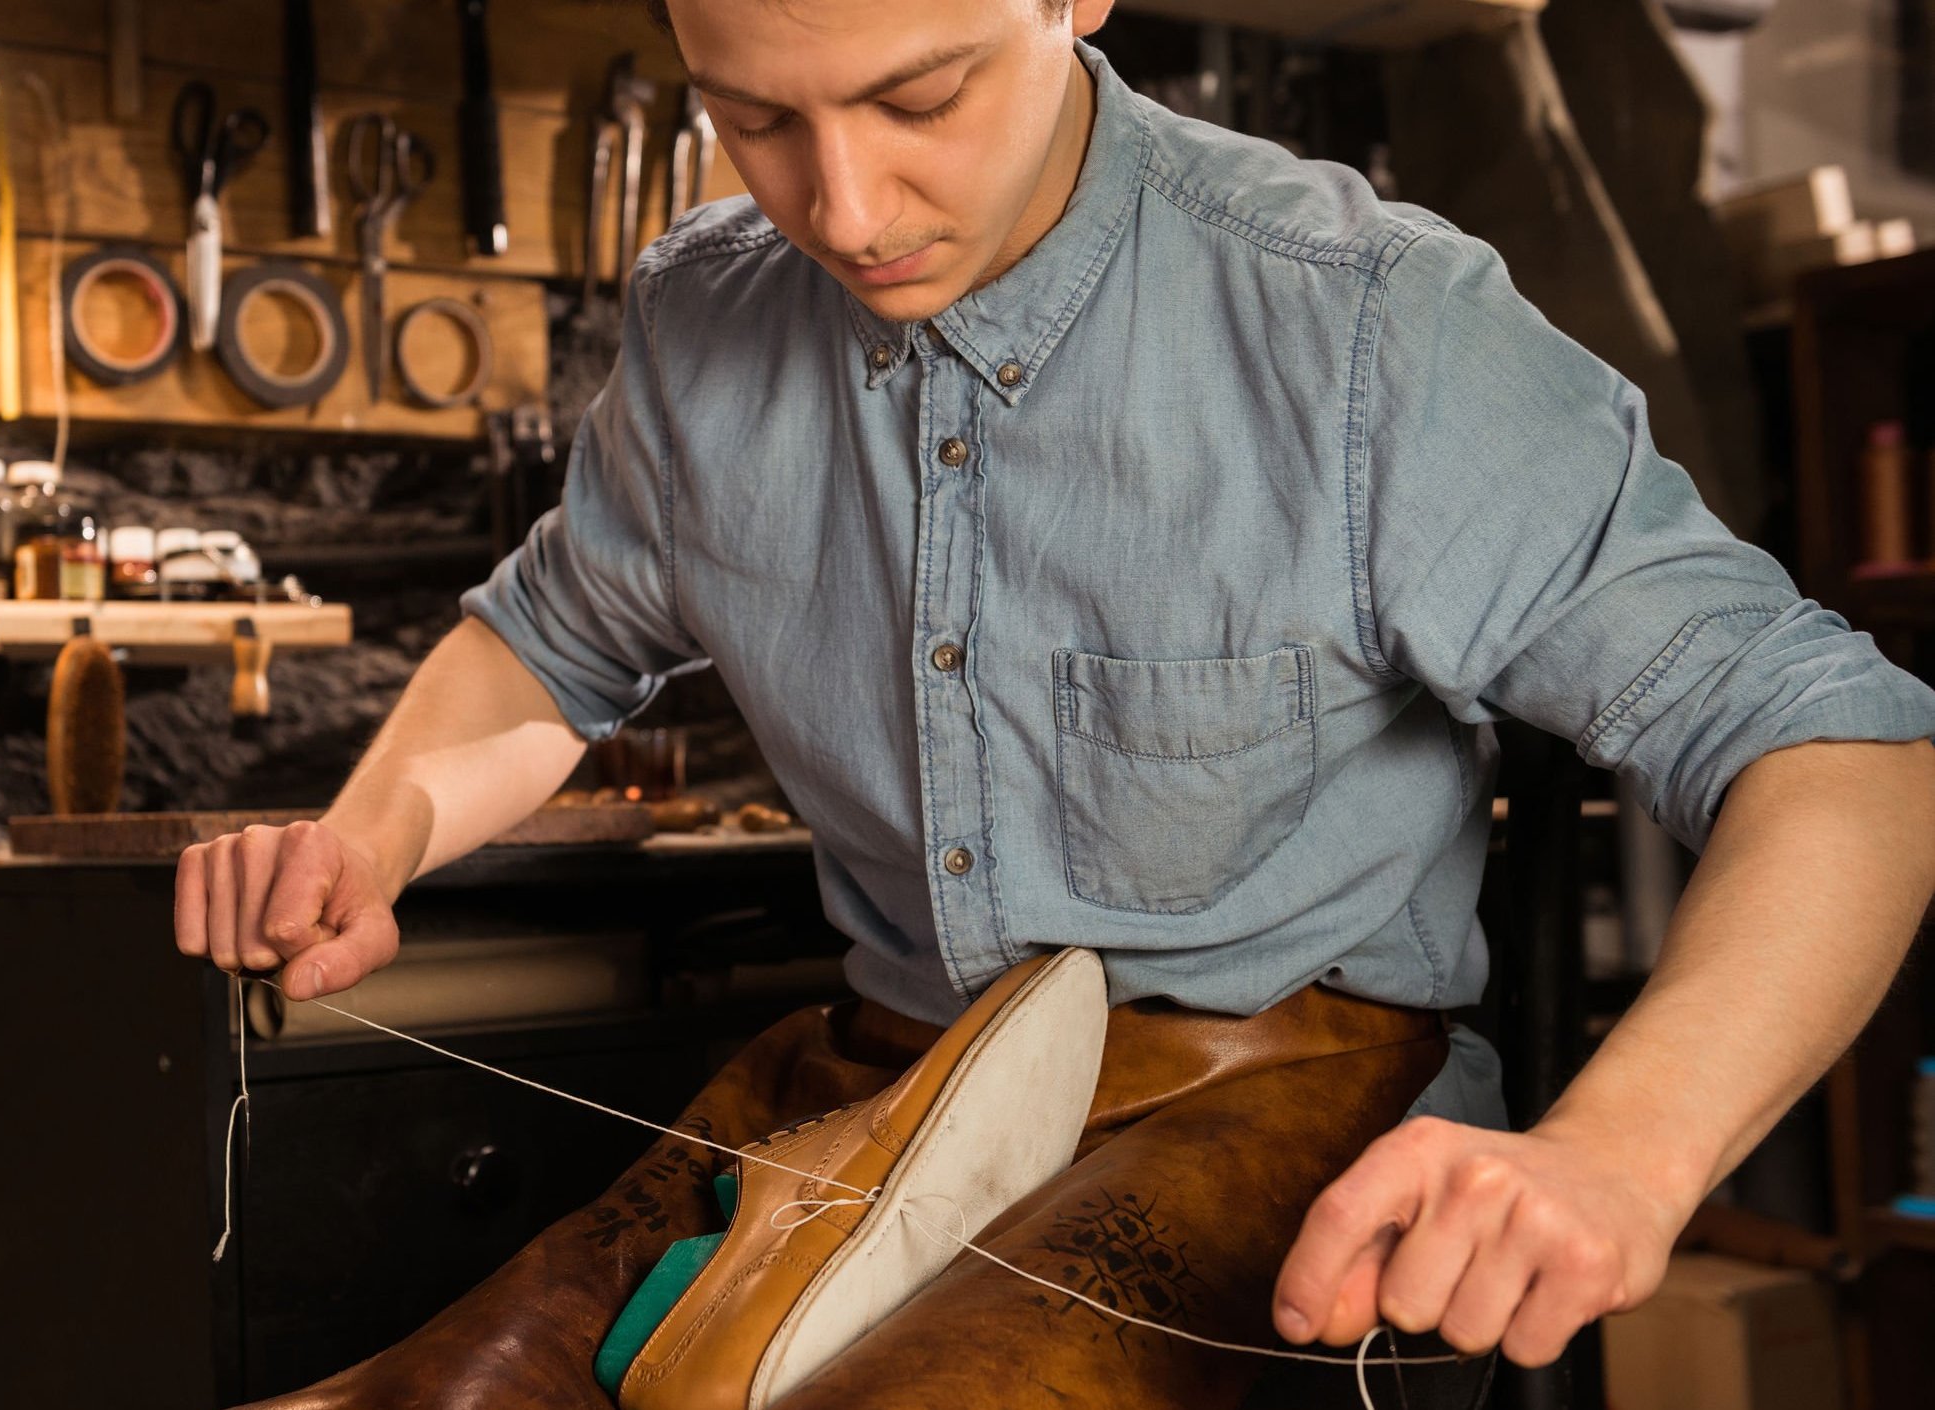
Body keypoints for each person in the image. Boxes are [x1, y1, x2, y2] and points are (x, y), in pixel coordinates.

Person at [173, 1, 1935, 1404]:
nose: (842, 211)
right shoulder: (708, 318)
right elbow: (554, 640)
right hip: (879, 1084)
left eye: (920, 98)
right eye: (757, 119)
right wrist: (374, 828)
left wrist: (1624, 1154)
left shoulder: (1366, 328)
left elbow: (1847, 752)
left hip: (1283, 1091)